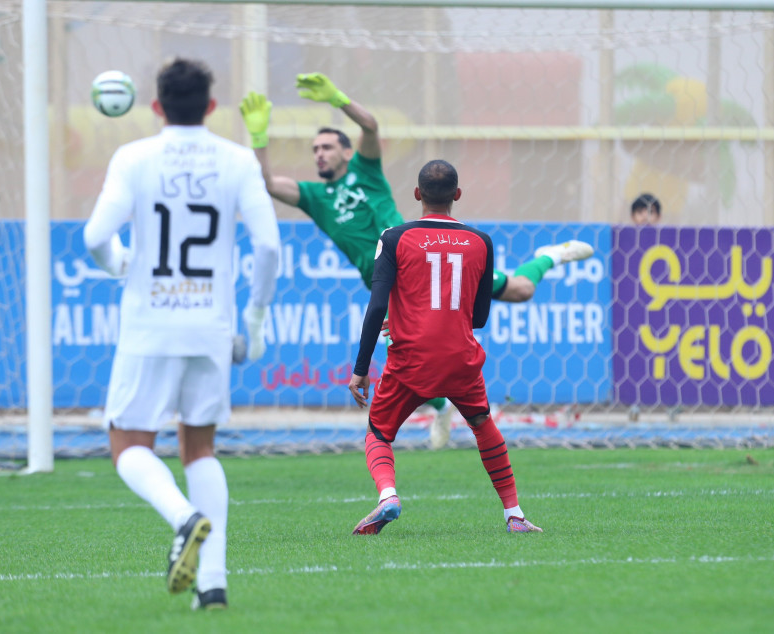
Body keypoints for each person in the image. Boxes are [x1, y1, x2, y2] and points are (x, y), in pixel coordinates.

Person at [239, 74, 593, 449]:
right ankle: (441, 410)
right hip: (388, 282)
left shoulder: (366, 171)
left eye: (326, 146)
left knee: (520, 291)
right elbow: (267, 182)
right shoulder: (312, 195)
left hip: (427, 258)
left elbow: (370, 126)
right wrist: (259, 139)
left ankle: (547, 258)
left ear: (346, 152)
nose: (319, 154)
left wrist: (337, 98)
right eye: (314, 150)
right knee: (410, 357)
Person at [83, 58, 280, 610]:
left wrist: (119, 261)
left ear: (156, 106)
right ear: (212, 107)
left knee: (127, 443)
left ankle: (182, 518)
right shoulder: (238, 160)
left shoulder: (134, 157)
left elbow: (96, 235)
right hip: (211, 326)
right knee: (200, 448)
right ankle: (212, 586)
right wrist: (256, 322)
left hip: (150, 324)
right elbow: (267, 247)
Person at [347, 159, 544, 535]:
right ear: (457, 195)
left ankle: (388, 497)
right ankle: (514, 514)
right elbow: (480, 318)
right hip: (460, 358)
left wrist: (360, 368)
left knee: (379, 433)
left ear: (418, 194)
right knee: (483, 425)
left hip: (411, 359)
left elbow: (376, 307)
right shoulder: (480, 242)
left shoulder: (394, 238)